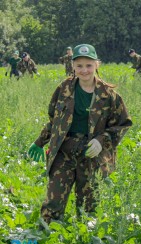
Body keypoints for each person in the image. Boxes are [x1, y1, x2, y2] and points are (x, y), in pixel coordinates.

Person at [27, 44, 132, 224]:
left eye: (89, 65)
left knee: (88, 208)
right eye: (80, 65)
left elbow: (122, 124)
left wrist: (102, 140)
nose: (84, 70)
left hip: (91, 155)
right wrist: (39, 141)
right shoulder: (64, 89)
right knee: (53, 202)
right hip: (64, 151)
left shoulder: (109, 95)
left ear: (97, 65)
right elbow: (54, 120)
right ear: (73, 66)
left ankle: (85, 242)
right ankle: (46, 240)